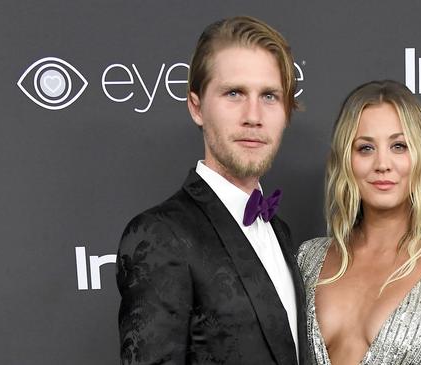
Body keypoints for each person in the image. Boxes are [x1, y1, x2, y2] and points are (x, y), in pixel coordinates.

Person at [116, 16, 308, 365]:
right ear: (196, 107)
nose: (253, 116)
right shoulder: (160, 236)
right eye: (234, 93)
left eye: (269, 96)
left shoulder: (279, 231)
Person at [298, 80, 421, 365]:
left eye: (399, 146)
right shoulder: (308, 258)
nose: (382, 163)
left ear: (419, 157)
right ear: (345, 160)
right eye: (365, 148)